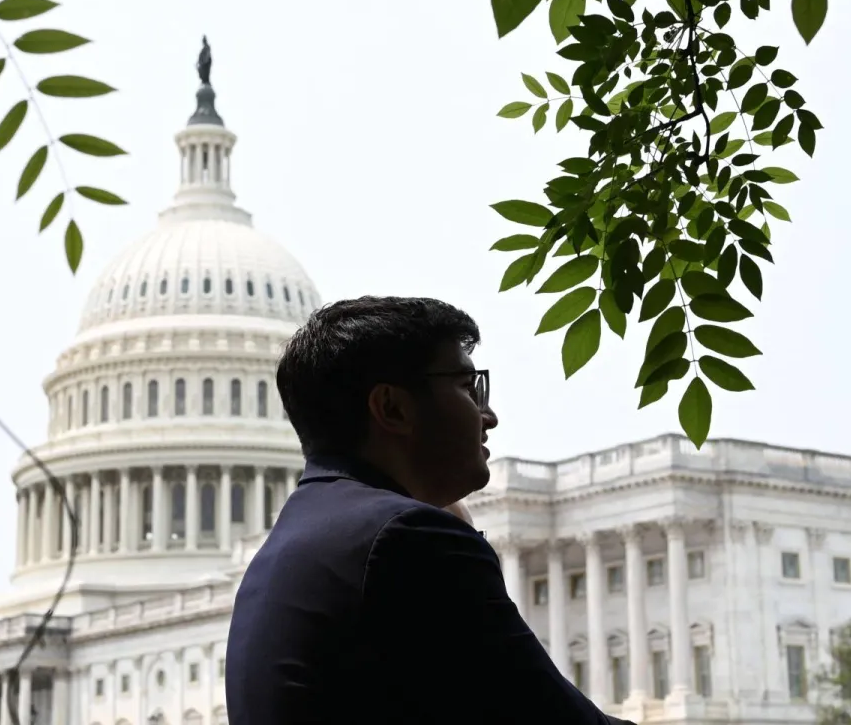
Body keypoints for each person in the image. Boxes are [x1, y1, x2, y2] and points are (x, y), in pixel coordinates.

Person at [225, 296, 633, 725]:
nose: (489, 416)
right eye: (469, 388)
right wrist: (456, 538)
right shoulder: (407, 540)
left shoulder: (282, 555)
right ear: (392, 407)